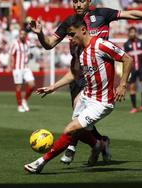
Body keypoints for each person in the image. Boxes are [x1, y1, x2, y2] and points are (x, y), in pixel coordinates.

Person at [28, 0, 142, 165]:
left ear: (89, 1)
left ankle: (71, 147)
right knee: (80, 119)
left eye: (81, 1)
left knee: (78, 120)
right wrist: (40, 34)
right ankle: (100, 143)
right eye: (75, 1)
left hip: (99, 72)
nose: (78, 4)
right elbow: (49, 44)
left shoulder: (101, 14)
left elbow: (131, 14)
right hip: (78, 72)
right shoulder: (69, 23)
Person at [24, 15, 133, 174]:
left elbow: (128, 59)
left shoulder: (101, 45)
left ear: (83, 30)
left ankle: (40, 163)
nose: (70, 38)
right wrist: (53, 87)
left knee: (71, 129)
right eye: (68, 36)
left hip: (102, 102)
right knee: (77, 130)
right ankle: (99, 144)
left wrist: (123, 84)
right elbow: (74, 75)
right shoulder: (81, 53)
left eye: (72, 34)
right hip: (86, 97)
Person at [124, 26, 142, 114]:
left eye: (134, 32)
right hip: (132, 69)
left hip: (141, 67)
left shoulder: (141, 42)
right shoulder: (126, 44)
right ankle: (134, 107)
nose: (132, 34)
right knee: (132, 87)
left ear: (136, 33)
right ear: (129, 33)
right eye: (131, 32)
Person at [9, 28, 35, 112]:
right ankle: (19, 105)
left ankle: (24, 100)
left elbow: (31, 52)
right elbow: (11, 55)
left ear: (26, 36)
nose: (22, 35)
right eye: (21, 34)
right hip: (17, 68)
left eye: (23, 34)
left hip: (26, 67)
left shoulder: (28, 43)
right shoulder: (15, 44)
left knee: (32, 85)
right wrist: (10, 66)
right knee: (18, 87)